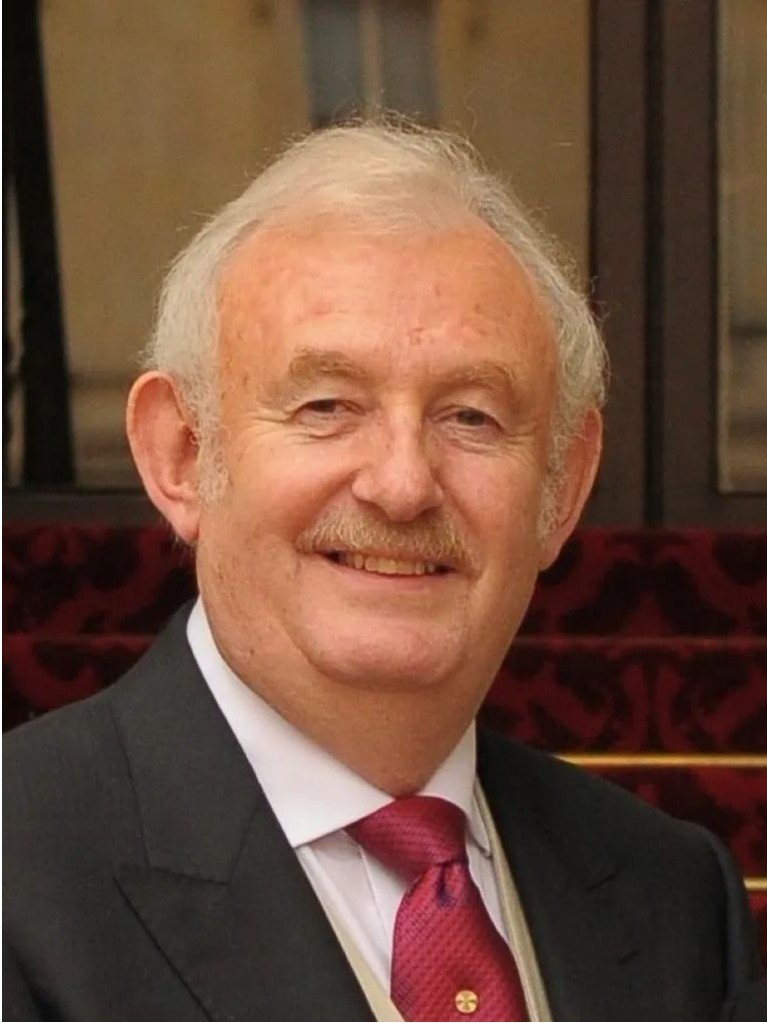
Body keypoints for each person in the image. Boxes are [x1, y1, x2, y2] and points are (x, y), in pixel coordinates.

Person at [4, 121, 761, 1022]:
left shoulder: (672, 893)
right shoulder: (21, 867)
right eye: (327, 405)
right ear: (181, 454)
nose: (402, 485)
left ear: (561, 489)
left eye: (471, 417)